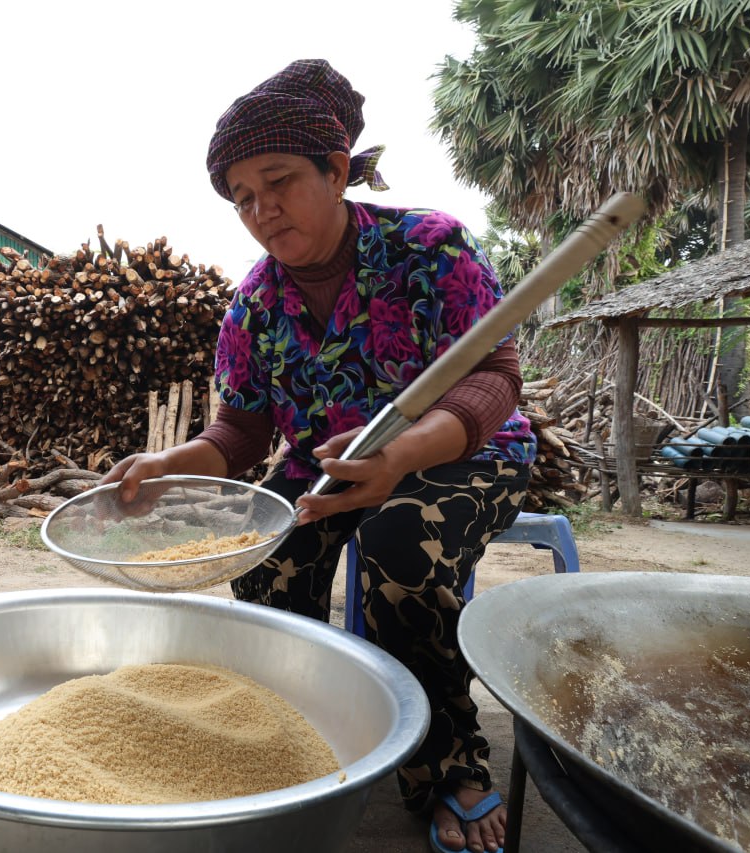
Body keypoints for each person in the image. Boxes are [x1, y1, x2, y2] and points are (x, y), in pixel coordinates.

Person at [101, 59, 535, 853]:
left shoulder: (429, 247)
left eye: (279, 181)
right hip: (326, 462)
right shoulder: (254, 304)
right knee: (267, 560)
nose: (261, 209)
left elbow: (494, 378)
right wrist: (169, 464)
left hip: (462, 450)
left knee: (398, 547)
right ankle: (293, 735)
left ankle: (449, 765)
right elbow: (241, 433)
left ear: (336, 171)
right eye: (242, 198)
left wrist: (402, 453)